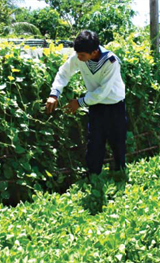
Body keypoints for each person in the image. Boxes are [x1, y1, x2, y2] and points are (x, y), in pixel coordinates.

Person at [46, 30, 127, 176]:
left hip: (115, 105)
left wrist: (79, 102)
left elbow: (103, 92)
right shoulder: (79, 56)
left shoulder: (110, 61)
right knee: (95, 141)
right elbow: (64, 73)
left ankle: (120, 172)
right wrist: (54, 93)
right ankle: (93, 175)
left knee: (118, 140)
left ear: (95, 52)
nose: (78, 57)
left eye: (82, 55)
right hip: (96, 105)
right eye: (77, 54)